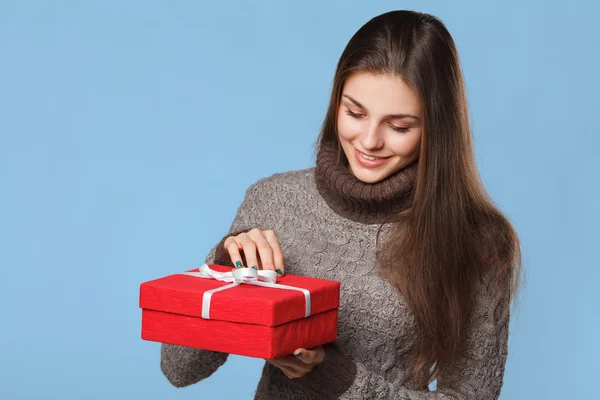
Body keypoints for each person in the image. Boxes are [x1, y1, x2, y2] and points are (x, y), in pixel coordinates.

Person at [159, 9, 523, 399]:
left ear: (437, 127)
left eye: (399, 126)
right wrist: (223, 268)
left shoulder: (478, 240)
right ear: (336, 103)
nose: (369, 141)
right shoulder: (273, 201)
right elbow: (179, 368)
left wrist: (332, 375)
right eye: (354, 112)